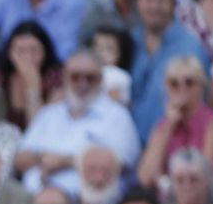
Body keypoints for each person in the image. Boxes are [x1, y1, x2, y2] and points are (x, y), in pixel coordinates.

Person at [15, 50, 138, 195]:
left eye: (90, 78)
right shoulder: (49, 114)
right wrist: (44, 158)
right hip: (36, 201)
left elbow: (120, 164)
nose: (82, 83)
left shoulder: (117, 116)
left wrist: (65, 162)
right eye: (75, 77)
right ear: (65, 78)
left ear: (101, 80)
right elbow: (20, 160)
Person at [127, 0, 208, 136]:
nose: (154, 7)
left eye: (161, 1)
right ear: (138, 3)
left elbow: (201, 102)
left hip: (171, 143)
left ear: (173, 5)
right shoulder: (128, 42)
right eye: (148, 0)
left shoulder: (190, 46)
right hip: (128, 141)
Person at [134, 53, 213, 188]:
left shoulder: (211, 122)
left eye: (189, 82)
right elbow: (145, 177)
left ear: (201, 86)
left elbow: (206, 174)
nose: (181, 88)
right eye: (174, 83)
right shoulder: (163, 124)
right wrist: (169, 125)